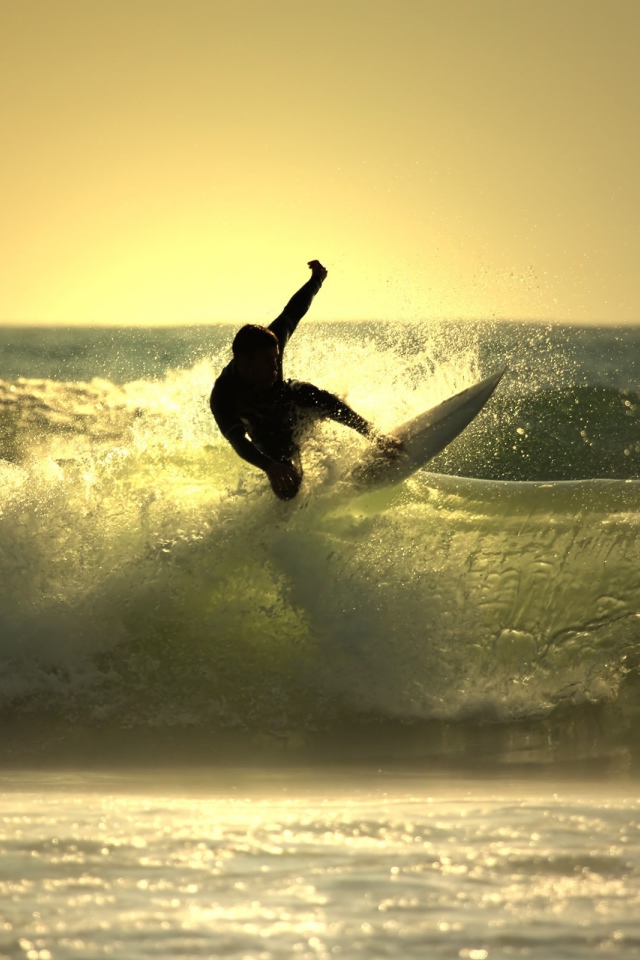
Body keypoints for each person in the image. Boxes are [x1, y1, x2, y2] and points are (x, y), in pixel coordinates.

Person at [210, 260, 401, 500]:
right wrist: (270, 467)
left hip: (289, 400)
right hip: (265, 430)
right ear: (245, 363)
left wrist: (317, 280)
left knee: (309, 394)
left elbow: (293, 311)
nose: (274, 368)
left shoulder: (272, 341)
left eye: (276, 360)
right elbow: (238, 441)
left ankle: (375, 436)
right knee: (288, 487)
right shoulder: (223, 395)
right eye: (267, 363)